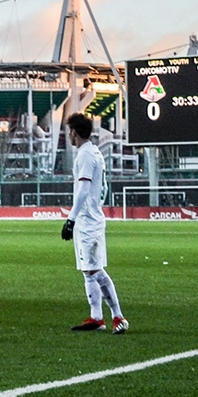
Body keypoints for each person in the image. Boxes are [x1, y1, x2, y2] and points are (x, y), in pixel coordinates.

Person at [63, 112, 128, 333]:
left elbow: (83, 189)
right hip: (90, 218)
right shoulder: (94, 152)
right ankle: (96, 317)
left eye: (69, 131)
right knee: (88, 270)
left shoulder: (85, 155)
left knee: (94, 271)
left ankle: (118, 316)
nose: (68, 135)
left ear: (74, 132)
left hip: (88, 220)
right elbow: (103, 188)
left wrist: (71, 219)